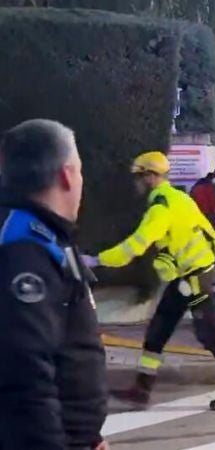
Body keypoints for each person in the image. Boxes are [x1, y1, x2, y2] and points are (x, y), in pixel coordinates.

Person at [84, 151, 215, 411]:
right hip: (190, 276)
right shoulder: (178, 197)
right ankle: (141, 388)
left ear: (150, 176)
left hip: (195, 278)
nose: (136, 183)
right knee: (159, 328)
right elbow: (198, 235)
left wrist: (96, 260)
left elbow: (135, 246)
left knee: (211, 334)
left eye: (139, 177)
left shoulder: (161, 207)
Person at [0, 119, 108, 450]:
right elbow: (25, 372)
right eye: (79, 171)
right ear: (66, 175)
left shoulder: (50, 236)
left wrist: (90, 435)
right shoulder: (23, 247)